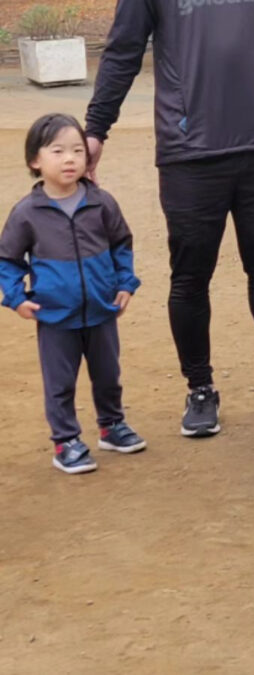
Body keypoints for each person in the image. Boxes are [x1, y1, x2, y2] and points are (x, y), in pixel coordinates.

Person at [85, 0, 254, 437]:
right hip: (189, 154)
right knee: (191, 276)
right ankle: (200, 387)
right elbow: (122, 51)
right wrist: (96, 129)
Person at [0, 114, 145, 474]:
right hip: (54, 318)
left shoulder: (102, 203)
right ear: (35, 160)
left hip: (101, 310)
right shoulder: (27, 213)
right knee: (60, 383)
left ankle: (111, 426)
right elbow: (7, 259)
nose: (70, 159)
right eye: (58, 151)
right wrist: (16, 298)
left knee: (109, 375)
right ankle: (65, 441)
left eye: (78, 150)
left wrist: (126, 283)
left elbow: (121, 244)